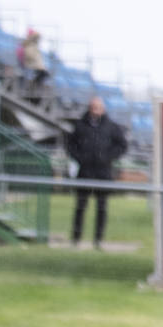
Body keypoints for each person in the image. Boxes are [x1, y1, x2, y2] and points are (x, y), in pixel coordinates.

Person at [66, 96, 126, 249]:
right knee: (80, 206)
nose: (96, 110)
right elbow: (70, 145)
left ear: (103, 109)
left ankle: (98, 239)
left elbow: (121, 145)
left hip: (103, 172)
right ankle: (76, 238)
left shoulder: (111, 127)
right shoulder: (80, 125)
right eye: (93, 107)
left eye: (98, 107)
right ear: (89, 108)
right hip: (85, 171)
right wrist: (80, 158)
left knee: (101, 207)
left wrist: (107, 157)